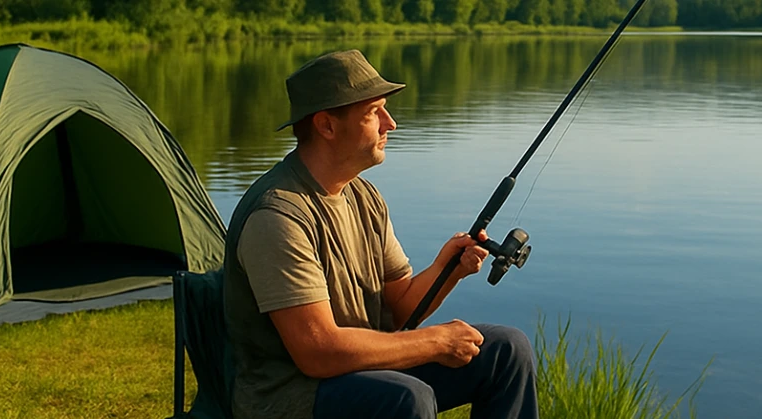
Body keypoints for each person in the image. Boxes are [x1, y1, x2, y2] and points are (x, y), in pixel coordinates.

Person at [221, 49, 539, 419]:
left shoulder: (364, 197)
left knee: (507, 350)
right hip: (290, 395)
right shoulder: (277, 216)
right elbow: (318, 352)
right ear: (326, 125)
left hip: (362, 367)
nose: (391, 123)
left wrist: (447, 269)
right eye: (374, 113)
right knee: (406, 397)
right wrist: (434, 341)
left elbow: (400, 309)